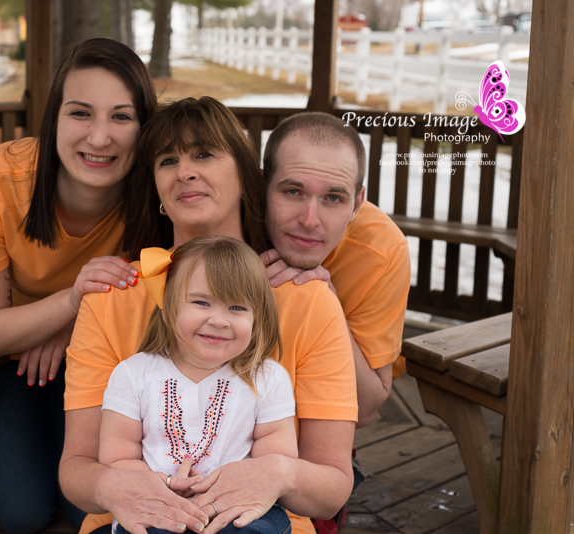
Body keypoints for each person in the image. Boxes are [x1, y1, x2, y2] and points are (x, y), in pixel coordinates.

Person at [61, 96, 358, 534]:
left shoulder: (307, 299)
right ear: (159, 192)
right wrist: (113, 486)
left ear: (245, 175)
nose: (184, 171)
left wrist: (279, 474)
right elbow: (76, 469)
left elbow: (333, 485)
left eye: (204, 153)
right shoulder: (112, 298)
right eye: (167, 161)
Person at [0, 38, 157, 534]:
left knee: (88, 508)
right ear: (54, 118)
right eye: (81, 113)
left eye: (122, 117)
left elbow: (168, 295)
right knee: (23, 512)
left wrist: (73, 324)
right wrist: (68, 302)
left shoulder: (159, 186)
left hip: (111, 362)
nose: (100, 137)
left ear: (145, 127)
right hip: (13, 358)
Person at [260, 112, 411, 530]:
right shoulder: (231, 219)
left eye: (333, 198)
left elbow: (365, 407)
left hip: (307, 449)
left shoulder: (381, 249)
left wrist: (325, 303)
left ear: (358, 202)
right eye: (293, 191)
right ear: (262, 186)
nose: (310, 219)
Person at [100, 236, 297, 534]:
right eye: (202, 302)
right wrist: (164, 485)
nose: (219, 320)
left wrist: (226, 486)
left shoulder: (267, 378)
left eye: (237, 307)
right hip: (157, 508)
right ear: (168, 303)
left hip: (236, 511)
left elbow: (274, 460)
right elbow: (118, 458)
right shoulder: (133, 374)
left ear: (258, 316)